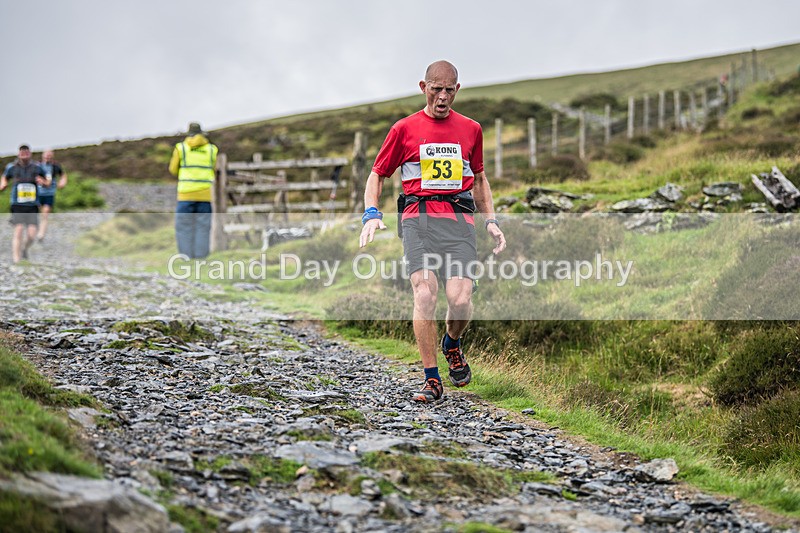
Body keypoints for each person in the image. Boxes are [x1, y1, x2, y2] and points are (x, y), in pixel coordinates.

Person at [359, 60, 506, 403]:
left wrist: (492, 221)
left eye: (449, 90)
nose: (442, 97)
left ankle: (452, 343)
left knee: (460, 300)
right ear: (423, 87)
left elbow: (480, 179)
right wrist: (371, 213)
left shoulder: (472, 129)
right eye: (435, 89)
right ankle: (431, 379)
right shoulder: (404, 129)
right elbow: (377, 174)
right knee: (425, 294)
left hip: (459, 221)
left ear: (458, 89)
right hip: (417, 219)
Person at [168, 122, 218, 259]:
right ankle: (201, 257)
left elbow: (172, 169)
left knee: (184, 226)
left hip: (185, 194)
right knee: (203, 226)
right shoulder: (211, 149)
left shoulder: (181, 148)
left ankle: (185, 257)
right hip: (205, 195)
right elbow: (214, 167)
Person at [0, 145, 50, 263]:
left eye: (26, 152)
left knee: (32, 235)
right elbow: (4, 177)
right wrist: (3, 184)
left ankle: (24, 249)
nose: (24, 154)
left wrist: (43, 182)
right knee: (18, 230)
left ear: (30, 154)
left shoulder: (37, 167)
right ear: (19, 154)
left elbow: (48, 181)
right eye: (22, 152)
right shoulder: (11, 167)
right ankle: (16, 260)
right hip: (17, 204)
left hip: (32, 204)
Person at [36, 149, 68, 242]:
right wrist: (42, 181)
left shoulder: (56, 166)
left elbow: (63, 175)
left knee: (45, 213)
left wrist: (62, 182)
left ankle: (41, 234)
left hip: (49, 193)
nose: (48, 157)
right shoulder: (37, 166)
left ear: (52, 156)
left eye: (50, 155)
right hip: (37, 193)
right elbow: (35, 176)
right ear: (43, 155)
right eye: (46, 155)